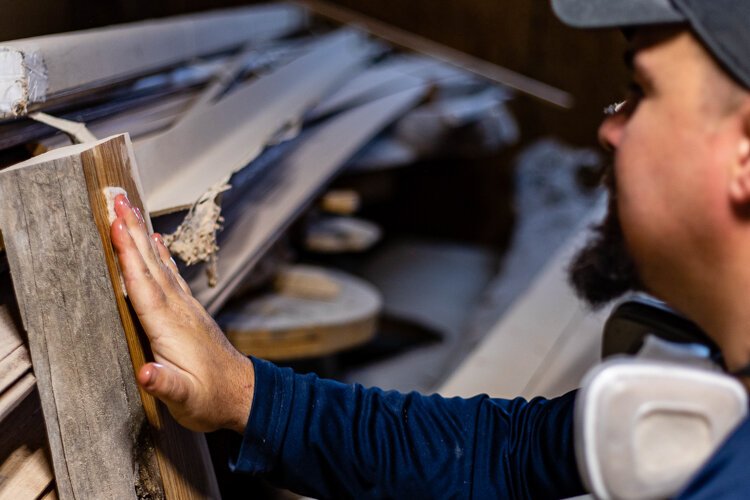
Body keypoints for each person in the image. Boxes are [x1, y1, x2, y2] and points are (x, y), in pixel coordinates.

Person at [109, 0, 750, 497]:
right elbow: (505, 455)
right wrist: (242, 392)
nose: (610, 129)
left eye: (641, 92)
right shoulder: (714, 379)